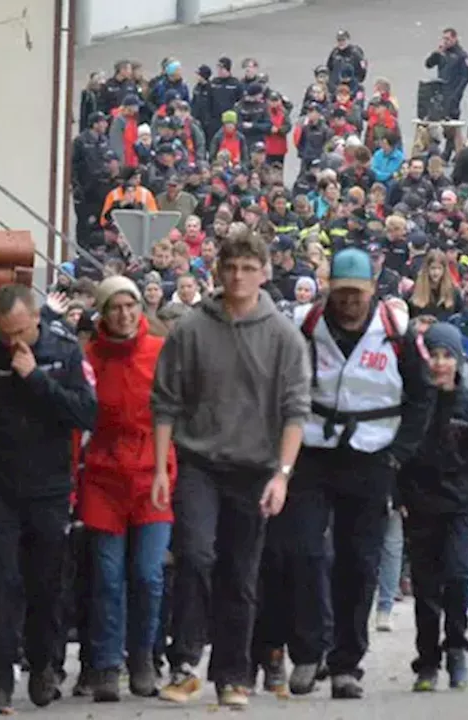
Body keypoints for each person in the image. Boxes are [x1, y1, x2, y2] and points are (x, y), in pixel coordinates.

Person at [149, 232, 310, 708]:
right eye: (230, 267)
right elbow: (165, 404)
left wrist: (282, 474)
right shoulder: (190, 329)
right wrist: (161, 468)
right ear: (217, 271)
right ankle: (184, 662)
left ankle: (233, 674)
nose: (238, 276)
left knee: (241, 573)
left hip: (256, 468)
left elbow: (295, 410)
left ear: (264, 272)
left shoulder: (283, 335)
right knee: (196, 557)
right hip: (199, 461)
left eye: (247, 267)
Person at [269, 248, 434, 700]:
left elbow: (423, 397)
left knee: (359, 563)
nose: (348, 303)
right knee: (301, 552)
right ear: (329, 291)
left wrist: (399, 454)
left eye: (356, 294)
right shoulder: (302, 325)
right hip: (311, 453)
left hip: (372, 457)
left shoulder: (396, 331)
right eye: (341, 294)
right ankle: (308, 650)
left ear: (371, 291)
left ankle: (346, 664)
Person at [0, 284, 98, 714]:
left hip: (47, 489)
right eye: (4, 333)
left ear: (36, 319)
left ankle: (44, 664)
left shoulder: (64, 353)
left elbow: (84, 414)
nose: (12, 342)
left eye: (19, 332)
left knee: (46, 585)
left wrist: (37, 379)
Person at [80, 277, 176, 701]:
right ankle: (104, 664)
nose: (124, 314)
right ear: (103, 312)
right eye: (114, 307)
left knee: (148, 573)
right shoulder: (88, 358)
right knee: (106, 575)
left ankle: (143, 656)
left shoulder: (159, 353)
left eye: (130, 305)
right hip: (103, 476)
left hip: (152, 474)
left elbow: (176, 411)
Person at [401, 324, 468, 691]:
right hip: (421, 505)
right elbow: (400, 453)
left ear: (458, 360)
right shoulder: (413, 401)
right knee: (426, 588)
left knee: (459, 577)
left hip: (461, 504)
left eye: (447, 356)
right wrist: (399, 497)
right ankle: (427, 660)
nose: (441, 364)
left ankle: (457, 648)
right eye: (434, 355)